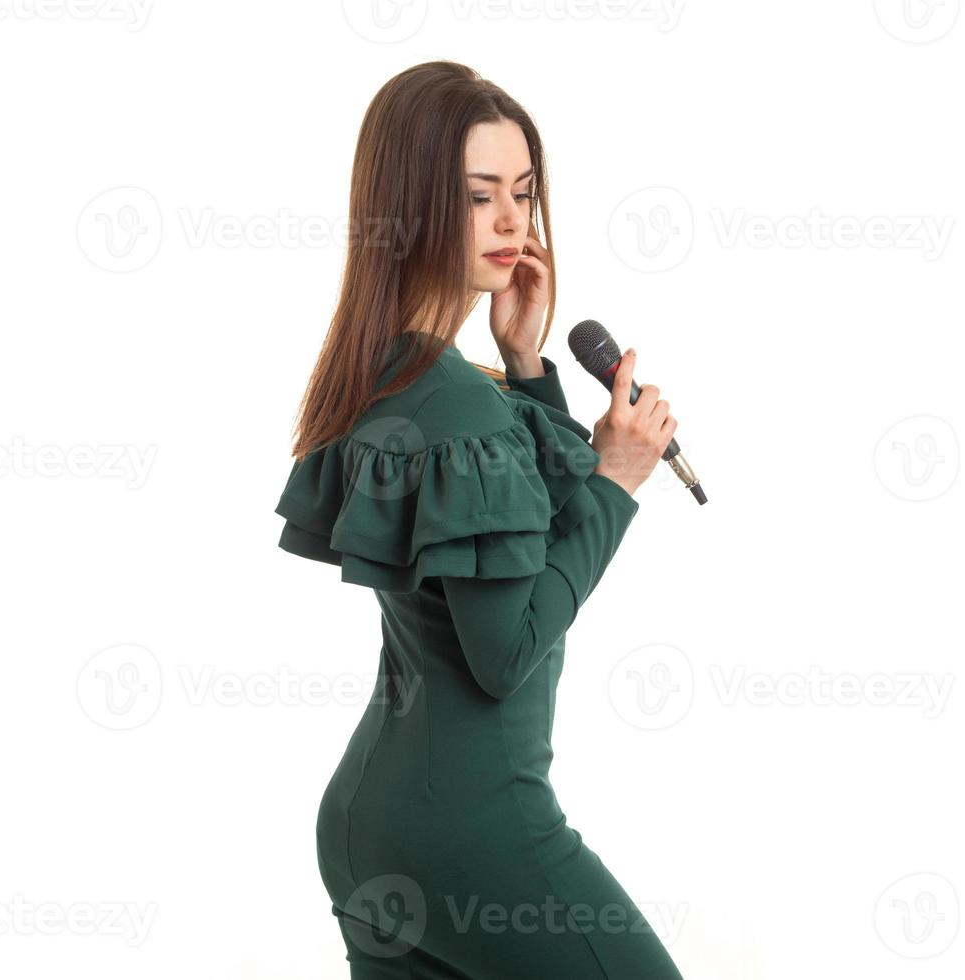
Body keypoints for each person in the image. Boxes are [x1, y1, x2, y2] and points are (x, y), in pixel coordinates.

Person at [274, 60, 685, 979]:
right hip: (476, 835)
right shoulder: (458, 406)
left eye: (527, 194)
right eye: (479, 196)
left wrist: (527, 360)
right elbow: (505, 654)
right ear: (413, 202)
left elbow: (516, 533)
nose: (514, 222)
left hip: (367, 830)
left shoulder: (392, 372)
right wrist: (618, 480)